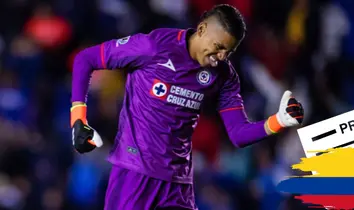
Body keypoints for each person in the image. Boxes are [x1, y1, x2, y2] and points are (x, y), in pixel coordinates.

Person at [70, 4, 304, 210]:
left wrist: (277, 122)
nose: (220, 57)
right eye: (218, 46)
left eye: (229, 51)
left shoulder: (224, 75)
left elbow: (238, 134)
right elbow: (86, 59)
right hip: (135, 174)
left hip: (177, 185)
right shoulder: (154, 47)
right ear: (202, 29)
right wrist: (78, 119)